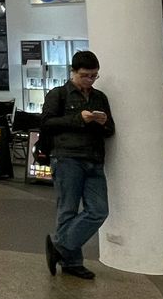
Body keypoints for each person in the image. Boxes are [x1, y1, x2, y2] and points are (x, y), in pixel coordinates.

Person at [37, 49, 113, 279]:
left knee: (99, 210)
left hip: (94, 158)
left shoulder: (99, 97)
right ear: (73, 72)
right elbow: (47, 123)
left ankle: (59, 246)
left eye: (94, 76)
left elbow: (110, 130)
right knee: (67, 210)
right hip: (66, 157)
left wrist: (102, 123)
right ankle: (72, 262)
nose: (89, 80)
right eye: (85, 75)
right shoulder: (58, 94)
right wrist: (78, 119)